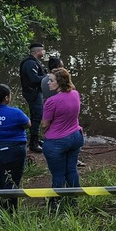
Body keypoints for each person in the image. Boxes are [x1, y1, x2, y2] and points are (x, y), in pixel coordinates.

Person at [0, 84, 30, 211]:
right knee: (11, 182)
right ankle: (10, 212)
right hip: (11, 151)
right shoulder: (15, 112)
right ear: (7, 98)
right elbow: (28, 124)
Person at [41, 68, 84, 210]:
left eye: (51, 80)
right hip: (75, 137)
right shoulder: (75, 94)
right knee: (71, 170)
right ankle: (73, 201)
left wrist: (45, 131)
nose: (48, 83)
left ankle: (56, 204)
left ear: (59, 82)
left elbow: (45, 124)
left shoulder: (51, 101)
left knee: (58, 174)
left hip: (56, 142)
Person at [20, 42, 47, 153]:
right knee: (36, 117)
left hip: (36, 93)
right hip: (33, 94)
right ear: (37, 52)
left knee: (37, 116)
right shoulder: (30, 64)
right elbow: (34, 79)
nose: (44, 52)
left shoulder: (35, 62)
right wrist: (47, 76)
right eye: (42, 50)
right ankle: (33, 144)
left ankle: (35, 139)